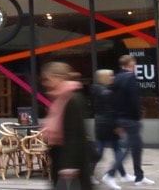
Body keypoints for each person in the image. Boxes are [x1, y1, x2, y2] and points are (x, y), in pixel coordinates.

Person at [40, 62, 91, 190]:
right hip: (61, 158)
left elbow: (74, 134)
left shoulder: (72, 99)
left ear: (58, 77)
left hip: (71, 163)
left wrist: (69, 166)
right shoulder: (60, 98)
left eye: (48, 79)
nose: (45, 83)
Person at [113, 54, 152, 186]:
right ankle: (111, 173)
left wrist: (117, 119)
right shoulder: (130, 77)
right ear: (131, 64)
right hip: (131, 118)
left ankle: (139, 176)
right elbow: (134, 99)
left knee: (134, 147)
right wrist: (138, 115)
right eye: (134, 62)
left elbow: (115, 100)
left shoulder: (117, 77)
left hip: (121, 117)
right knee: (133, 147)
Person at [91, 68, 124, 190]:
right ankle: (110, 175)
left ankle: (90, 173)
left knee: (100, 151)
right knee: (119, 151)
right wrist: (117, 126)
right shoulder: (107, 93)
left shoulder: (96, 90)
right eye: (110, 76)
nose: (113, 78)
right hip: (109, 125)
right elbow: (111, 112)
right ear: (105, 78)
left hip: (100, 124)